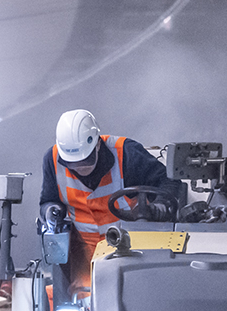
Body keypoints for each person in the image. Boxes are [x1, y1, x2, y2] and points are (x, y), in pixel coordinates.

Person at [40, 108, 172, 292]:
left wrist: (160, 207)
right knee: (84, 303)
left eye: (86, 161)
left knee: (131, 296)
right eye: (72, 163)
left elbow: (169, 182)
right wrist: (51, 211)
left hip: (130, 251)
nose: (80, 168)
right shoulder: (52, 160)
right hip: (85, 257)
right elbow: (48, 200)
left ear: (97, 144)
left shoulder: (127, 154)